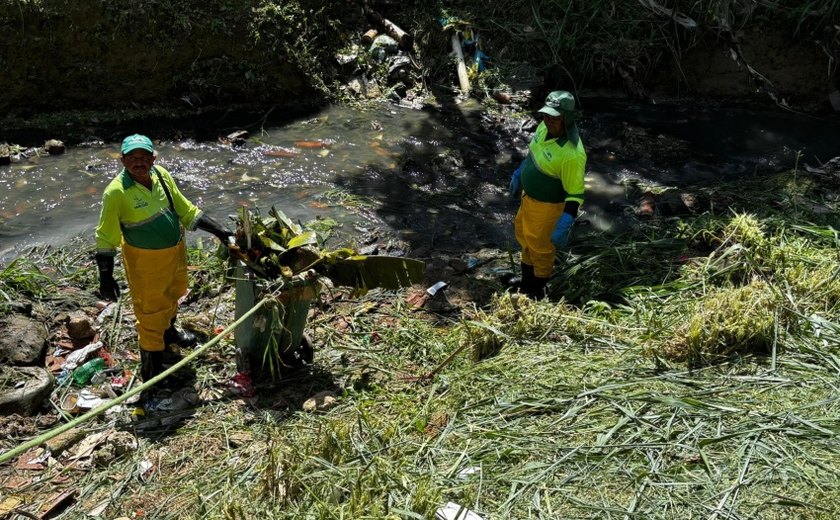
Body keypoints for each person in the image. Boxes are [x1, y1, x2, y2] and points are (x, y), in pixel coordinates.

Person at [94, 134, 233, 384]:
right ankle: (153, 376)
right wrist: (106, 277)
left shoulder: (161, 176)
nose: (139, 162)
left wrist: (221, 231)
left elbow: (186, 211)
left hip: (175, 254)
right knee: (150, 315)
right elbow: (106, 237)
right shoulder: (115, 192)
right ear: (123, 161)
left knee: (173, 293)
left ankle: (168, 334)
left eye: (144, 156)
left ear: (153, 159)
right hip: (146, 264)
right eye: (132, 157)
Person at [508, 91, 587, 298]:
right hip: (528, 200)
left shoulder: (572, 154)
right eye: (546, 115)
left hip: (546, 208)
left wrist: (566, 220)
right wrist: (520, 172)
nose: (549, 120)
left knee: (541, 248)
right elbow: (534, 152)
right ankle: (526, 282)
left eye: (555, 117)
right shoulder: (543, 127)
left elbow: (575, 193)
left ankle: (538, 289)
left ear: (567, 118)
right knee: (524, 237)